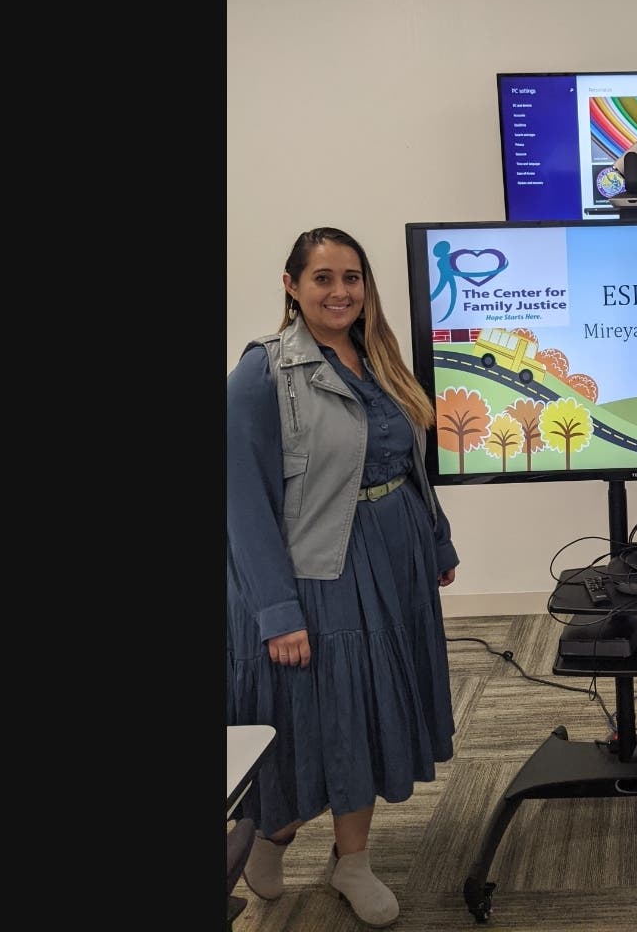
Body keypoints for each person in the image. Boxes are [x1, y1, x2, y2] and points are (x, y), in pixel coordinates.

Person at [227, 227, 459, 927]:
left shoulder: (379, 355)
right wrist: (276, 611)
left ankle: (352, 861)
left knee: (374, 709)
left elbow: (408, 461)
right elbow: (241, 503)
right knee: (313, 719)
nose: (340, 291)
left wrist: (438, 541)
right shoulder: (263, 373)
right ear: (291, 286)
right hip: (317, 572)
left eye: (351, 277)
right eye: (323, 278)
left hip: (396, 554)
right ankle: (273, 839)